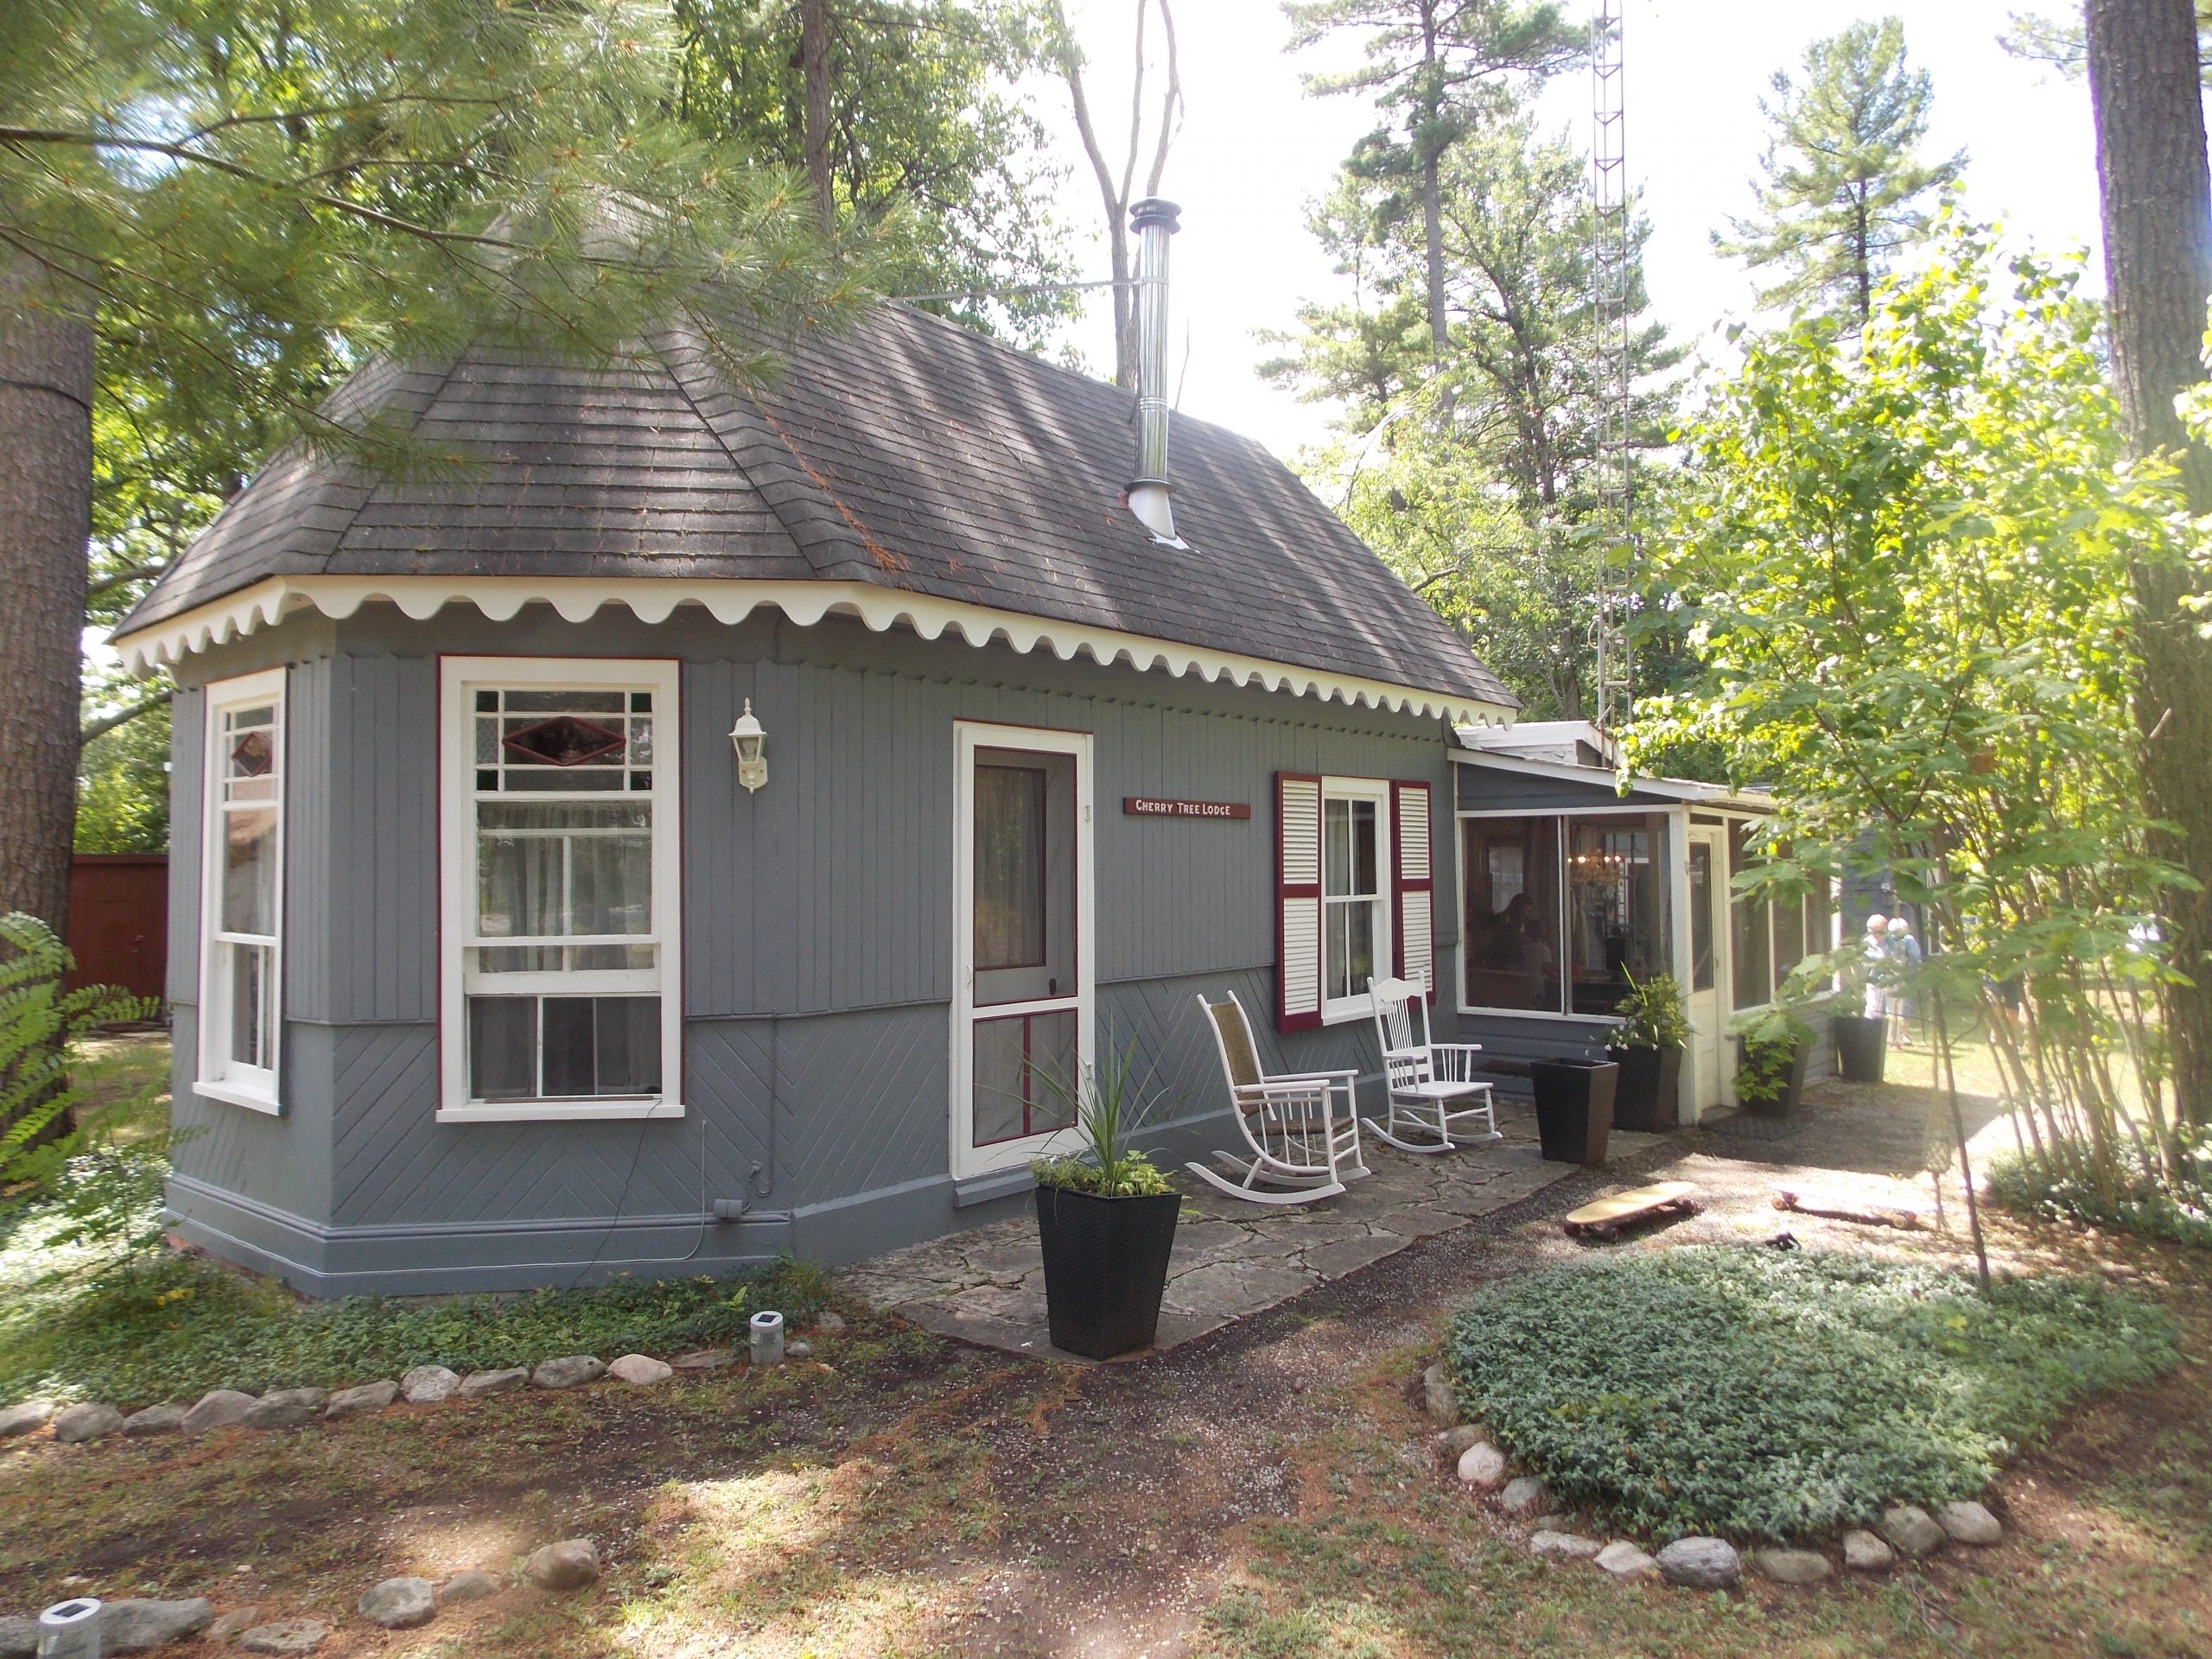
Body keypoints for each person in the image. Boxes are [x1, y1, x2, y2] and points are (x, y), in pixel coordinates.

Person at [1885, 915, 1923, 1047]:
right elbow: (1916, 958)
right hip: (1902, 976)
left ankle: (1895, 1035)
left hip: (1893, 976)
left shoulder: (1889, 938)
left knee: (1894, 1006)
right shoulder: (1908, 940)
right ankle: (1901, 1035)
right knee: (1903, 1006)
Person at [1860, 914, 1890, 1027]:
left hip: (1892, 979)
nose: (1873, 935)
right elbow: (1867, 960)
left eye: (1876, 932)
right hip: (1875, 980)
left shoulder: (1891, 940)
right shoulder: (1866, 943)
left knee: (1893, 1010)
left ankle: (1893, 1038)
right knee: (1872, 1008)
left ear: (1884, 929)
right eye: (1870, 931)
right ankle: (1869, 1031)